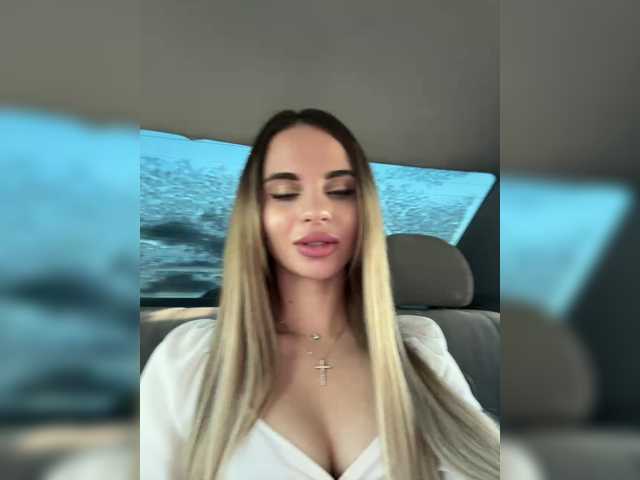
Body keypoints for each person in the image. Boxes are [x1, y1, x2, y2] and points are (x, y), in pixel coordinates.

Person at [140, 109, 500, 480]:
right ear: (255, 217)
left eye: (341, 191)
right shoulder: (187, 360)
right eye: (285, 193)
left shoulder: (421, 351)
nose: (316, 211)